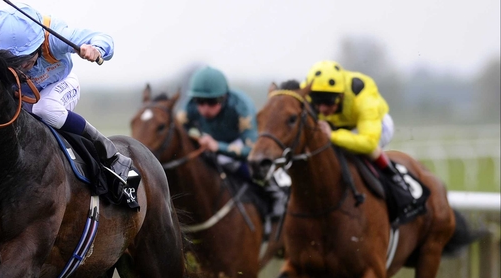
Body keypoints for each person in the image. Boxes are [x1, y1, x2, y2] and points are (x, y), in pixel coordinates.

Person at [0, 3, 134, 192]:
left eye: (25, 59)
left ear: (38, 45)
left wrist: (96, 48)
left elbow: (103, 38)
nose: (21, 67)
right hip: (25, 99)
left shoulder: (54, 37)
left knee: (45, 108)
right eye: (13, 61)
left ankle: (108, 152)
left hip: (60, 85)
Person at [304, 60, 420, 220]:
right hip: (338, 126)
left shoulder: (363, 94)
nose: (323, 109)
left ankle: (397, 185)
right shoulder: (311, 87)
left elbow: (368, 142)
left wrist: (333, 136)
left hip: (376, 125)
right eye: (318, 102)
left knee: (364, 151)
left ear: (342, 95)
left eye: (329, 102)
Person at [179, 66, 286, 219]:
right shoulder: (188, 107)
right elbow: (179, 132)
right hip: (208, 144)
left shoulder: (241, 106)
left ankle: (275, 194)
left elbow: (252, 150)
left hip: (238, 142)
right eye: (200, 102)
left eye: (212, 102)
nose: (205, 108)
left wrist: (218, 146)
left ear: (224, 98)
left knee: (253, 165)